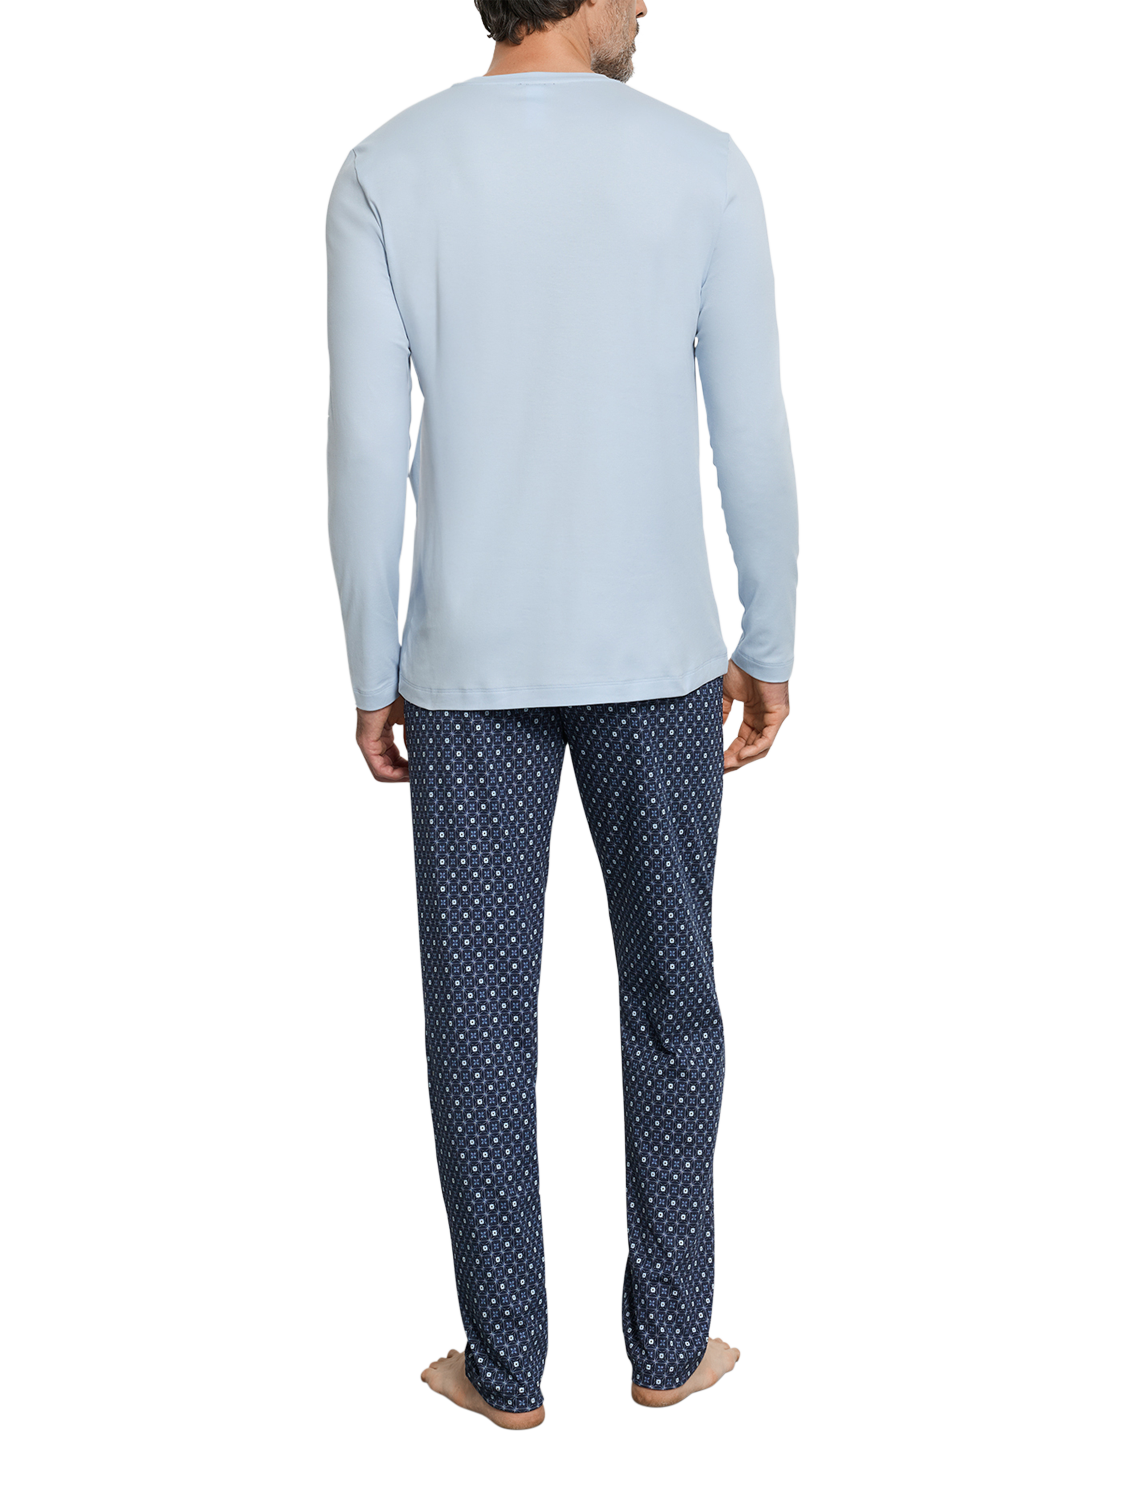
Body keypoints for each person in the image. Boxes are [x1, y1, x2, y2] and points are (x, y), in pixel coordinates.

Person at [325, 0, 797, 1430]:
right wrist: (769, 636)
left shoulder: (387, 170)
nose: (649, 1)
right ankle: (669, 1346)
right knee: (674, 999)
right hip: (660, 661)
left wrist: (370, 667)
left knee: (477, 1018)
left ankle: (505, 1366)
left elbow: (364, 445)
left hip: (466, 672)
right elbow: (752, 427)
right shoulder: (701, 163)